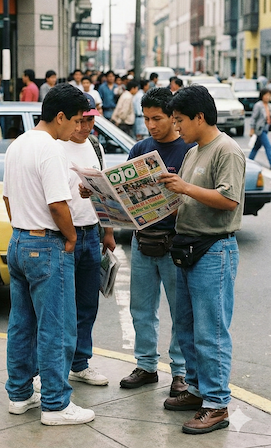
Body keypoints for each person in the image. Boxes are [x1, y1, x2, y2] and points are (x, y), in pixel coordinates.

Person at [3, 82, 95, 426]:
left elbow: (8, 198)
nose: (77, 128)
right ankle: (56, 404)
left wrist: (23, 227)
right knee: (56, 328)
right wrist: (70, 238)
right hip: (46, 244)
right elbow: (58, 204)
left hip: (19, 240)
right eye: (75, 120)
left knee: (21, 325)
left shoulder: (18, 144)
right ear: (59, 117)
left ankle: (19, 394)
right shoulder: (53, 149)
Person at [158, 84, 244, 435]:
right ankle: (196, 389)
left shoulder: (227, 150)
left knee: (211, 332)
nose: (176, 126)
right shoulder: (193, 152)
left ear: (199, 117)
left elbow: (229, 200)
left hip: (214, 250)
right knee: (187, 327)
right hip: (187, 247)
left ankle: (216, 404)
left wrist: (184, 188)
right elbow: (188, 199)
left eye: (179, 120)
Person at [110, 87, 193, 397]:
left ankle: (180, 372)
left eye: (157, 118)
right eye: (146, 119)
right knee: (141, 308)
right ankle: (146, 365)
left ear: (173, 117)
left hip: (175, 242)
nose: (151, 125)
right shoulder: (140, 149)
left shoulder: (188, 149)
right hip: (143, 240)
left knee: (180, 311)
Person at [60, 93, 115, 388]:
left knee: (87, 303)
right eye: (80, 120)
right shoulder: (57, 145)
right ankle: (56, 366)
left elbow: (103, 191)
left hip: (91, 232)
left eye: (90, 120)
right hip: (64, 235)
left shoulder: (95, 146)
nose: (85, 127)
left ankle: (80, 363)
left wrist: (108, 231)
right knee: (61, 306)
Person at [249, 88, 271, 164]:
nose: (267, 97)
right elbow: (253, 118)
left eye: (269, 95)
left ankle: (249, 161)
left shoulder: (269, 106)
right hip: (260, 130)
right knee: (268, 147)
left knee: (256, 147)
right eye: (266, 95)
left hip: (266, 129)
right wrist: (252, 129)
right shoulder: (258, 105)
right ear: (262, 96)